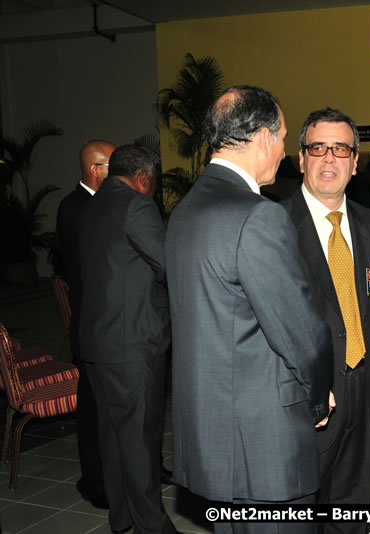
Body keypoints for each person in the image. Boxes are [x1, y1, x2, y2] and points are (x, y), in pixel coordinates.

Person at [166, 85, 332, 534]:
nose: (283, 153)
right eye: (281, 140)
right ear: (262, 138)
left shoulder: (185, 211)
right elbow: (298, 329)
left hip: (216, 438)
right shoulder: (257, 215)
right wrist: (319, 395)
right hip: (264, 443)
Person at [281, 107, 370, 533]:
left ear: (355, 161)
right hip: (311, 399)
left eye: (340, 149)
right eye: (317, 148)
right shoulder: (274, 224)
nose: (329, 158)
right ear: (301, 158)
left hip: (367, 389)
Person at [79, 144, 176, 534]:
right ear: (143, 176)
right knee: (139, 442)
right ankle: (154, 526)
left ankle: (121, 520)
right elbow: (168, 264)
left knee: (114, 439)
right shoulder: (138, 206)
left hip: (99, 343)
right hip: (132, 345)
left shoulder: (94, 205)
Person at [53, 139, 114, 510]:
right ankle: (92, 481)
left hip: (109, 323)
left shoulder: (103, 204)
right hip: (92, 324)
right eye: (113, 165)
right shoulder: (75, 208)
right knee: (92, 408)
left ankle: (140, 468)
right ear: (95, 169)